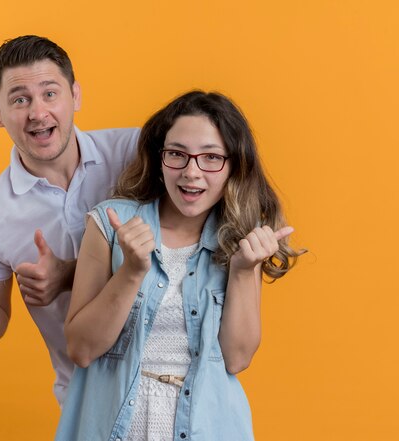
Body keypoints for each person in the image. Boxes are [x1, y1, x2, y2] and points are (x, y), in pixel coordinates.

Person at [55, 90, 303, 440]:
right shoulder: (111, 224)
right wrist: (131, 271)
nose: (191, 172)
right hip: (115, 424)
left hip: (206, 426)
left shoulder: (237, 241)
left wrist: (244, 271)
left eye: (211, 158)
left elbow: (236, 359)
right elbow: (81, 349)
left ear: (233, 166)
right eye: (177, 154)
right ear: (160, 159)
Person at [0, 35, 139, 405]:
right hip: (85, 401)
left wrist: (69, 273)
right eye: (20, 99)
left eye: (50, 93)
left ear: (76, 96)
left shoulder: (134, 153)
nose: (37, 112)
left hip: (173, 384)